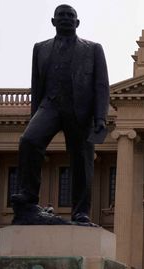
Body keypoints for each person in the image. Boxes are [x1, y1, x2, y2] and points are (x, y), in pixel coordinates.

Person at [11, 4, 109, 226]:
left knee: (81, 161)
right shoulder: (41, 48)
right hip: (50, 106)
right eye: (61, 16)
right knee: (29, 140)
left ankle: (80, 212)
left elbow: (101, 85)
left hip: (80, 111)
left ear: (77, 22)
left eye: (70, 16)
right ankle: (28, 198)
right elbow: (37, 85)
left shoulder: (92, 49)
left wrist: (100, 117)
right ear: (53, 21)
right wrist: (34, 115)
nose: (66, 19)